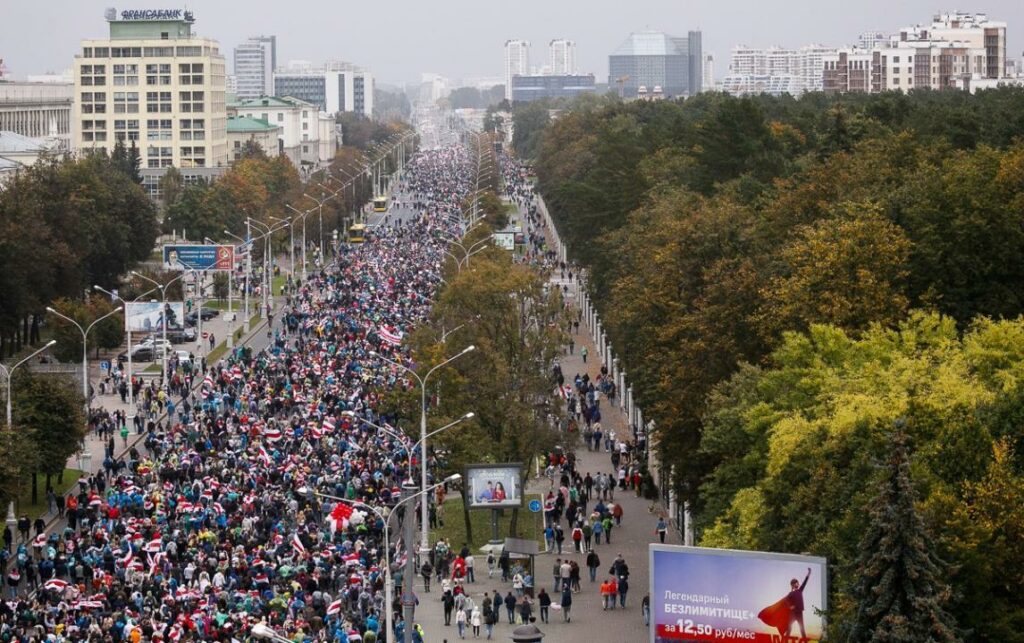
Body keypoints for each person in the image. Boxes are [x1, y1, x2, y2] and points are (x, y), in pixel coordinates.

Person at [758, 567, 812, 641]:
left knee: (802, 629)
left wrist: (809, 573)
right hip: (793, 613)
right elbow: (786, 600)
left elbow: (805, 582)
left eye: (797, 582)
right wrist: (790, 606)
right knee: (789, 628)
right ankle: (785, 641)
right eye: (795, 583)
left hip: (799, 613)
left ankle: (805, 641)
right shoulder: (791, 593)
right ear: (792, 585)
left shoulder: (800, 590)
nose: (797, 584)